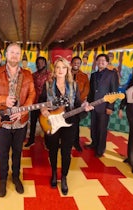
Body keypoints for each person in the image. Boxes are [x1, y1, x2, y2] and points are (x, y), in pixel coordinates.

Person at [39, 57, 93, 195]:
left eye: (63, 67)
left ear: (67, 69)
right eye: (58, 67)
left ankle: (63, 177)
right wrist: (43, 110)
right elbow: (41, 101)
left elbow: (78, 103)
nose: (60, 70)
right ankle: (53, 174)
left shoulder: (73, 85)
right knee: (52, 150)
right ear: (54, 70)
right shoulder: (48, 85)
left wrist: (84, 107)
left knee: (66, 152)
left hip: (70, 123)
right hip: (52, 122)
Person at [0, 43, 36, 197]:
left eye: (17, 53)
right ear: (6, 54)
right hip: (2, 122)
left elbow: (32, 94)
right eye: (12, 52)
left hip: (20, 121)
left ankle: (15, 176)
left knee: (17, 152)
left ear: (20, 55)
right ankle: (3, 179)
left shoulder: (28, 74)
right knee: (3, 152)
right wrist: (4, 99)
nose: (14, 55)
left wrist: (23, 109)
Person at [85, 53, 119, 157]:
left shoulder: (112, 74)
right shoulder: (94, 75)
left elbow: (114, 91)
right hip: (93, 105)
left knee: (102, 128)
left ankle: (100, 150)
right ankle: (94, 143)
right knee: (94, 126)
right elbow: (91, 91)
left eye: (103, 61)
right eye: (99, 60)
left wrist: (110, 107)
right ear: (96, 62)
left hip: (104, 107)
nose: (101, 62)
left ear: (107, 62)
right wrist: (89, 103)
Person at [25, 56, 51, 147]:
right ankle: (31, 140)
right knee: (33, 122)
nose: (40, 64)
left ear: (45, 64)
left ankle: (47, 142)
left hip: (46, 104)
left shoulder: (50, 75)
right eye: (38, 63)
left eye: (41, 62)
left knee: (46, 123)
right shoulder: (33, 75)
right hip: (35, 103)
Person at [71, 56, 89, 152]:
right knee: (65, 123)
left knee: (76, 124)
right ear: (71, 63)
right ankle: (66, 142)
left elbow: (86, 90)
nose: (76, 64)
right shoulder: (66, 74)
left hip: (78, 104)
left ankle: (76, 142)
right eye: (75, 62)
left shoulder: (84, 76)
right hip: (66, 104)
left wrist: (79, 100)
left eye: (78, 63)